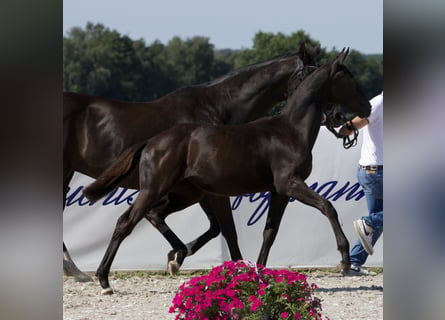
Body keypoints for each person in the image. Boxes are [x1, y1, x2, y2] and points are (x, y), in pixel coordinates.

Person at [339, 91, 383, 276]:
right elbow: (361, 120)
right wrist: (348, 126)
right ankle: (368, 223)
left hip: (373, 171)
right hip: (378, 172)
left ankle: (353, 263)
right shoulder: (381, 102)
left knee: (380, 219)